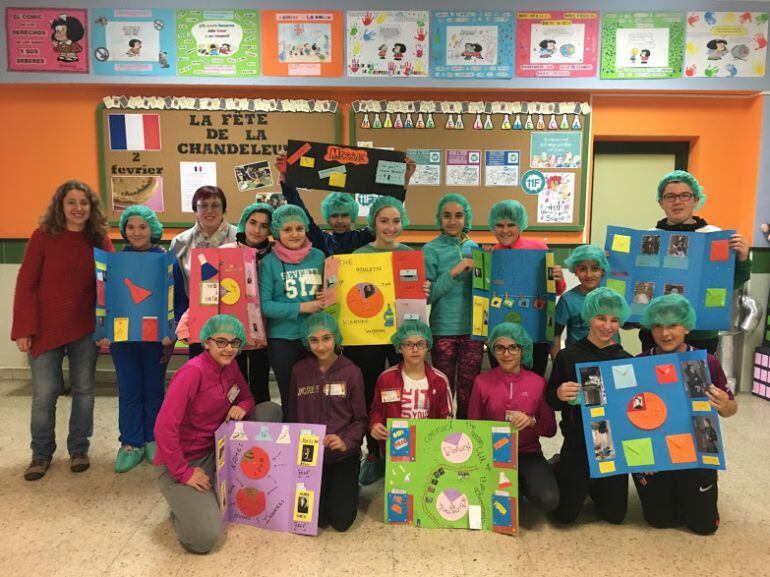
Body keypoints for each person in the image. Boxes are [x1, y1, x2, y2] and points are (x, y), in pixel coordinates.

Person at [154, 315, 282, 554]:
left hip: (219, 447)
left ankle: (208, 493)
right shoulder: (192, 373)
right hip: (184, 460)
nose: (229, 348)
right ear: (206, 343)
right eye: (221, 342)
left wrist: (241, 407)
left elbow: (247, 398)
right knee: (204, 538)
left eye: (235, 342)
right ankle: (182, 503)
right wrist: (184, 472)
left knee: (270, 410)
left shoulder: (231, 366)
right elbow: (163, 427)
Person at [12, 180, 114, 481]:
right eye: (71, 202)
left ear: (91, 207)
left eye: (84, 202)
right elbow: (26, 285)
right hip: (44, 329)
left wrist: (109, 325)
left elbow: (112, 282)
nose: (78, 208)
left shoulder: (98, 239)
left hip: (85, 328)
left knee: (84, 391)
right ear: (61, 206)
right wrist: (23, 329)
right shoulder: (42, 237)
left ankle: (79, 448)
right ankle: (41, 454)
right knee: (44, 395)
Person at [635, 294, 737, 534]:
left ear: (687, 326)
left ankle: (690, 494)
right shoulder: (640, 363)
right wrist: (641, 457)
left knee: (703, 526)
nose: (665, 333)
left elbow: (730, 410)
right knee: (658, 519)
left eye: (673, 325)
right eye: (658, 325)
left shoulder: (707, 363)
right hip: (657, 453)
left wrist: (724, 404)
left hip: (696, 452)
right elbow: (630, 414)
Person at [346, 196, 430, 484]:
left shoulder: (409, 255)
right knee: (371, 391)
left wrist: (423, 288)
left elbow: (415, 295)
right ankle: (374, 453)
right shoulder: (357, 255)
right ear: (373, 223)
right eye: (384, 221)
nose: (390, 227)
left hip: (401, 335)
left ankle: (402, 451)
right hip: (365, 336)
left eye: (396, 221)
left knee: (404, 389)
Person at [96, 206, 177, 473]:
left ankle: (153, 438)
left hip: (157, 339)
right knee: (129, 389)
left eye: (142, 227)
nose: (136, 232)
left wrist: (172, 330)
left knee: (154, 389)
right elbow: (103, 297)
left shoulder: (166, 261)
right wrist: (103, 331)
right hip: (123, 339)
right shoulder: (114, 262)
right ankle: (131, 442)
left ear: (152, 229)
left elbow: (178, 299)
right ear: (124, 231)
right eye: (130, 227)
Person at [640, 170, 751, 353]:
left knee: (696, 379)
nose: (677, 201)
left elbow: (731, 282)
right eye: (670, 196)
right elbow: (639, 280)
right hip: (658, 332)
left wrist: (742, 259)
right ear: (661, 202)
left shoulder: (714, 236)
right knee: (656, 379)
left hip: (701, 333)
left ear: (696, 199)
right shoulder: (649, 238)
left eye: (684, 195)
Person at [546, 287, 631, 524]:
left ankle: (594, 484)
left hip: (611, 444)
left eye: (614, 320)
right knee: (564, 516)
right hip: (578, 442)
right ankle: (560, 467)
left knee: (615, 516)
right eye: (601, 318)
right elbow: (550, 399)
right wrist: (560, 393)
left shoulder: (625, 360)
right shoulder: (568, 356)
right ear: (589, 317)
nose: (607, 326)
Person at [468, 322, 558, 514]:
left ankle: (542, 473)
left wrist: (532, 421)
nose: (506, 354)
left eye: (513, 347)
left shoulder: (538, 383)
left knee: (548, 500)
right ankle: (517, 485)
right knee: (496, 504)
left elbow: (550, 430)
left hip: (528, 453)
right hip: (492, 454)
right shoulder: (481, 382)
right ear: (493, 350)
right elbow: (473, 426)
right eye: (500, 347)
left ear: (522, 349)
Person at [288, 313, 367, 532]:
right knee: (317, 519)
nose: (321, 346)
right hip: (310, 459)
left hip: (343, 455)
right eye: (314, 340)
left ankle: (349, 484)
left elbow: (361, 419)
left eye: (326, 338)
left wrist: (345, 441)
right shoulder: (299, 371)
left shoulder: (352, 372)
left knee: (341, 521)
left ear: (336, 338)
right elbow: (293, 416)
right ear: (306, 341)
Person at [274, 152, 415, 256]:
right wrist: (286, 181)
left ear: (352, 216)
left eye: (345, 215)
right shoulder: (322, 240)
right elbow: (301, 211)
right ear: (328, 218)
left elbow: (390, 208)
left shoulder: (363, 238)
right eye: (335, 216)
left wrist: (403, 181)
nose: (340, 221)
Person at [258, 204, 325, 419]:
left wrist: (328, 296)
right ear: (277, 232)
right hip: (282, 339)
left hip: (316, 337)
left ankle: (315, 443)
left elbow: (332, 292)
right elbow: (265, 305)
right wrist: (301, 307)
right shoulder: (269, 263)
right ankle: (290, 444)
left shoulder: (319, 257)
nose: (294, 234)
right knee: (290, 395)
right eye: (287, 230)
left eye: (299, 228)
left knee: (316, 394)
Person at [488, 200, 566, 376]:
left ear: (521, 225)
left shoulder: (539, 250)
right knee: (501, 380)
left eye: (511, 224)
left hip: (535, 332)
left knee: (535, 379)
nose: (505, 230)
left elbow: (557, 290)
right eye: (499, 225)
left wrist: (558, 278)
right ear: (493, 226)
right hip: (501, 333)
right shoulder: (492, 254)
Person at [423, 193, 482, 418]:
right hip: (443, 330)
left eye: (458, 215)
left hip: (472, 331)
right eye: (447, 216)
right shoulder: (431, 250)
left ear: (466, 218)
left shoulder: (474, 247)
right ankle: (441, 436)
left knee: (469, 389)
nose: (453, 221)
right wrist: (455, 272)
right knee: (443, 388)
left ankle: (465, 438)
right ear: (440, 218)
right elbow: (428, 296)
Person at [369, 320, 453, 460]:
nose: (415, 349)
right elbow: (376, 410)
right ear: (399, 347)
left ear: (428, 346)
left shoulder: (440, 380)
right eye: (408, 344)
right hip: (397, 446)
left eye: (420, 344)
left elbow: (446, 417)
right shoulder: (386, 379)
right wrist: (375, 424)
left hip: (429, 447)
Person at [169, 186, 237, 358]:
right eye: (203, 206)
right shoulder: (180, 243)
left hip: (234, 319)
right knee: (200, 372)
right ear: (195, 210)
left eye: (215, 205)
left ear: (223, 209)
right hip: (197, 320)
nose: (210, 211)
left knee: (233, 375)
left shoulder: (240, 238)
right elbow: (176, 287)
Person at [223, 202, 274, 404]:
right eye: (253, 223)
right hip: (233, 329)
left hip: (264, 330)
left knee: (261, 385)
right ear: (245, 222)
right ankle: (237, 431)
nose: (257, 229)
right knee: (235, 384)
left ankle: (260, 430)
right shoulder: (226, 251)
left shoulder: (275, 256)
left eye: (264, 225)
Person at [552, 244, 618, 360]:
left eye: (595, 268)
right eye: (582, 269)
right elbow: (555, 335)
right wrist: (558, 365)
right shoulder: (568, 300)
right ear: (575, 271)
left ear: (603, 270)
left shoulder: (613, 297)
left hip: (610, 357)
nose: (589, 275)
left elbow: (629, 322)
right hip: (578, 359)